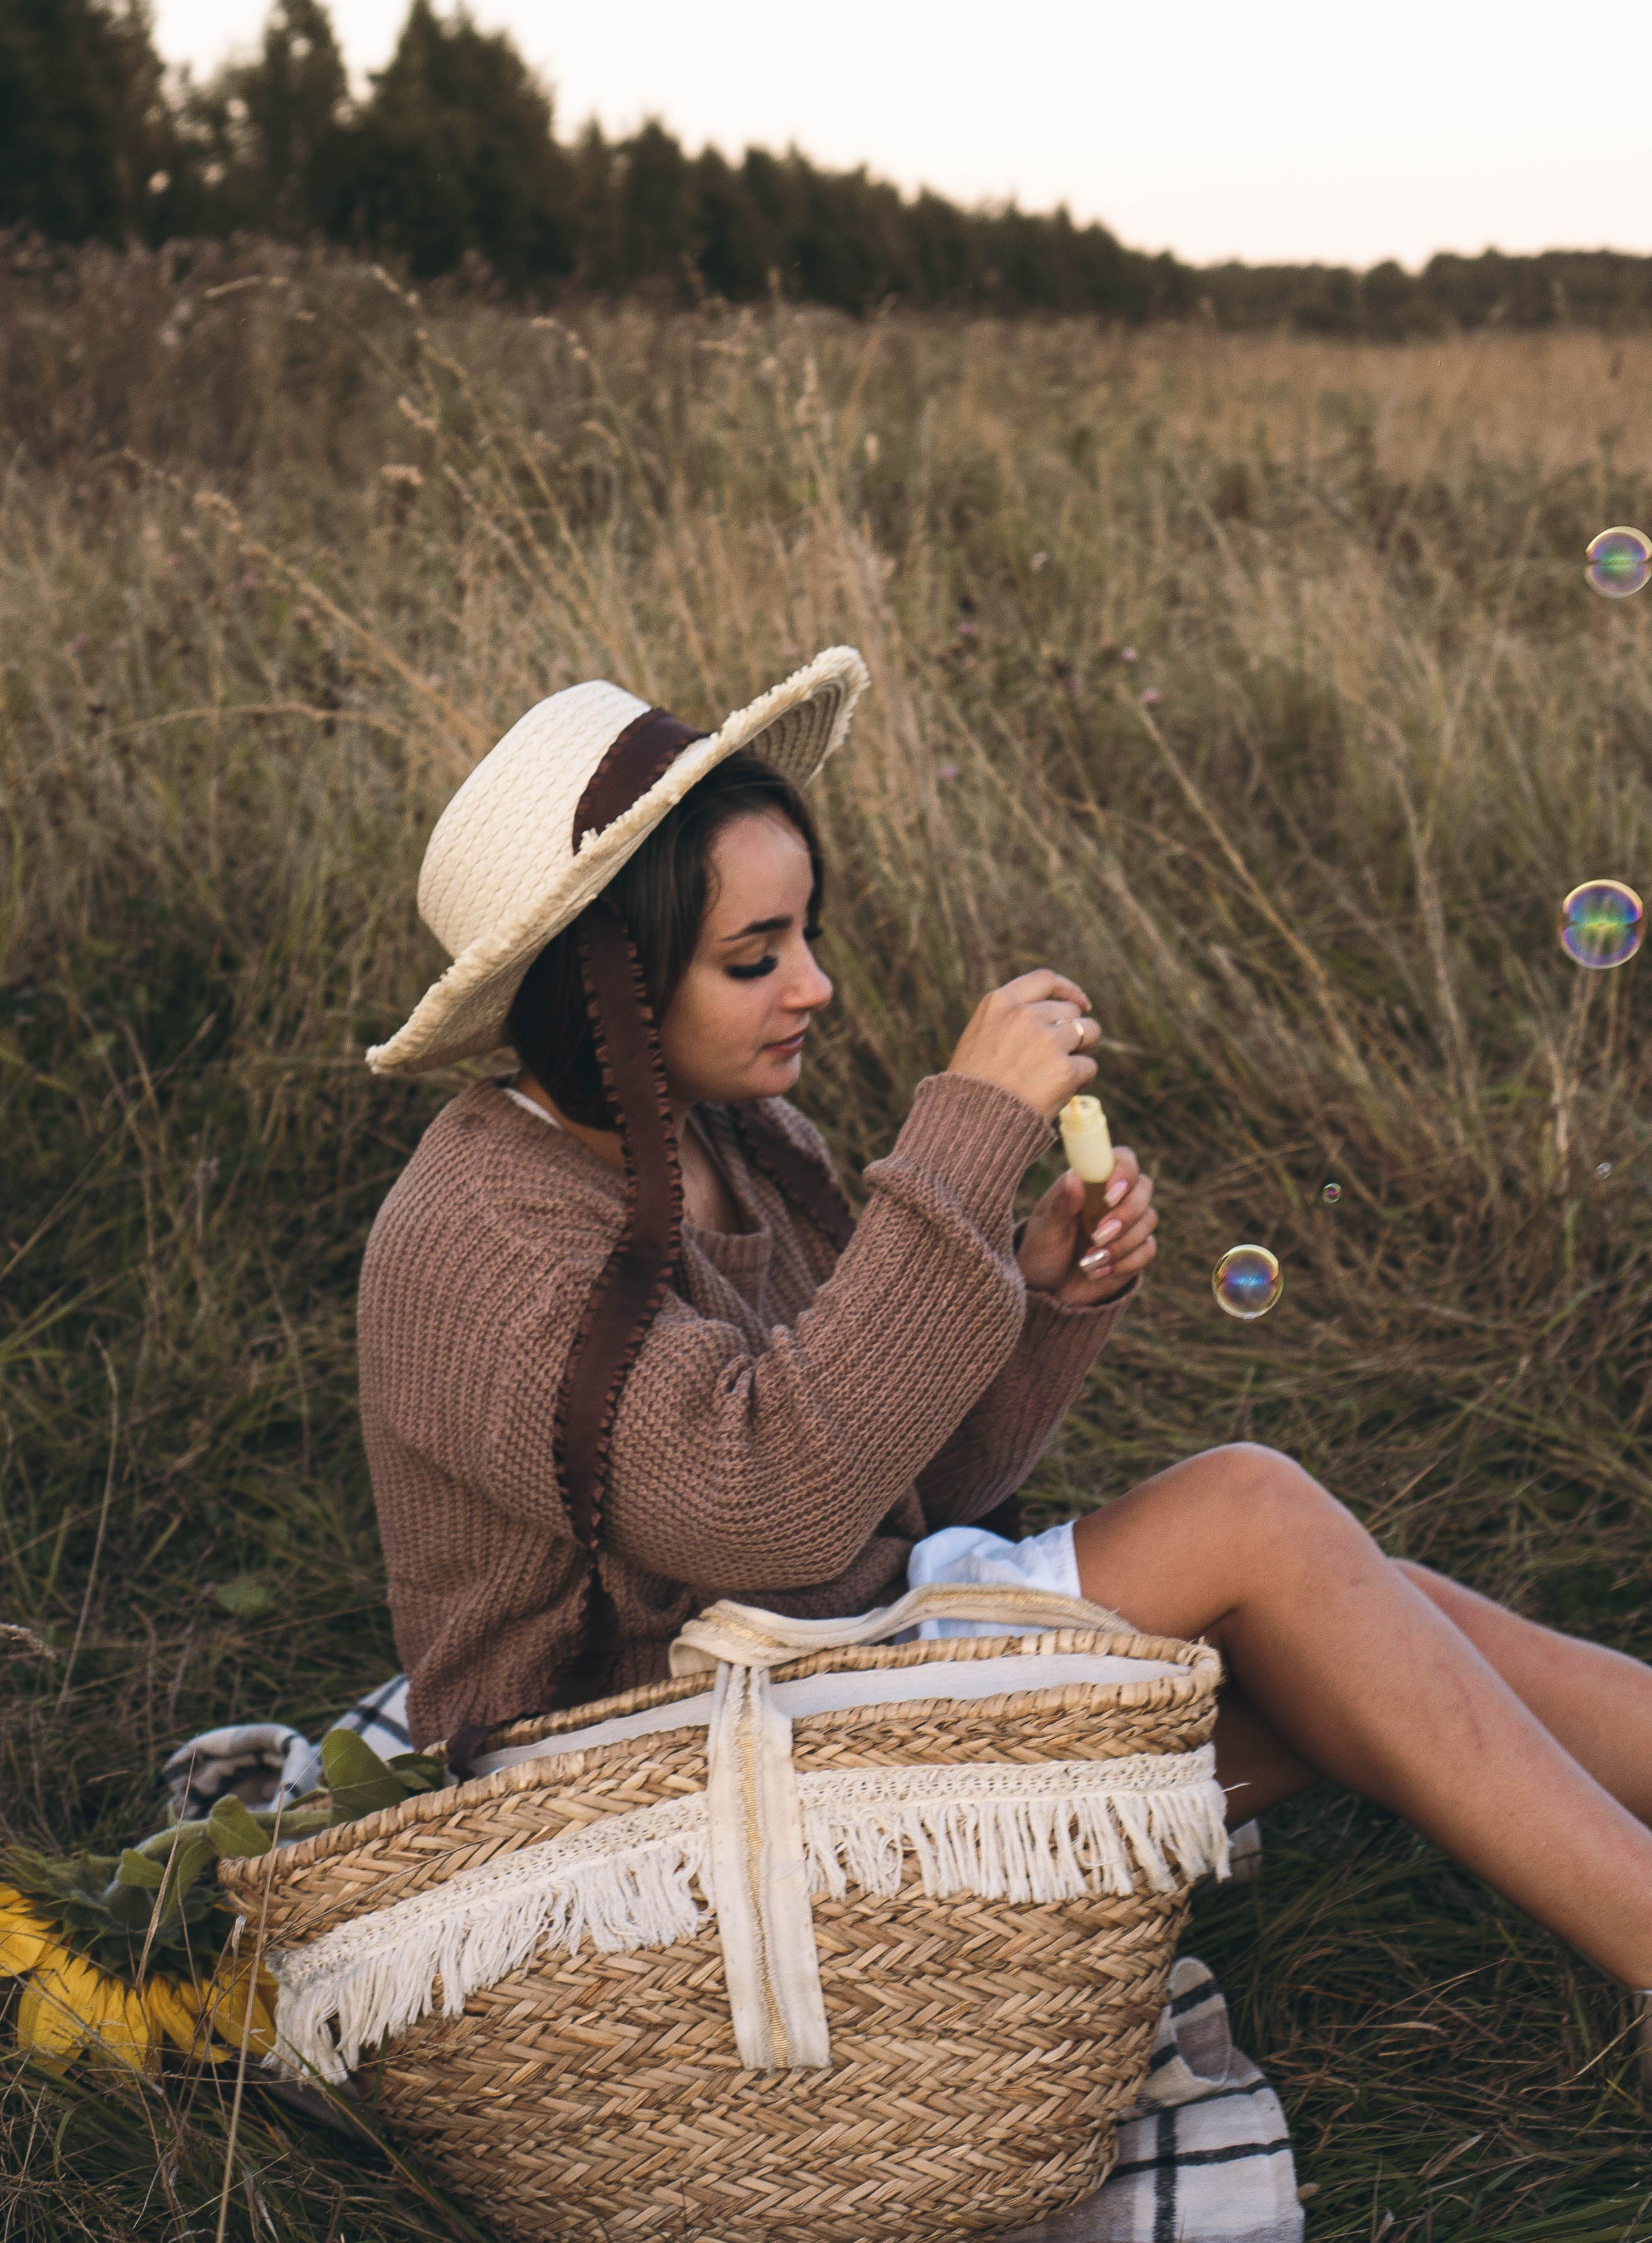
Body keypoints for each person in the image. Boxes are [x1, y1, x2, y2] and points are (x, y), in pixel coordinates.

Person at [358, 646, 1652, 2016]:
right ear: (596, 991)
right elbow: (765, 1512)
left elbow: (889, 1491)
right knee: (1256, 1518)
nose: (814, 987)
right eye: (754, 958)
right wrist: (965, 1141)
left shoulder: (737, 1140)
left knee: (1374, 1621)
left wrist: (1035, 1306)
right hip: (629, 1819)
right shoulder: (481, 1239)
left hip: (798, 1707)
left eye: (803, 936)